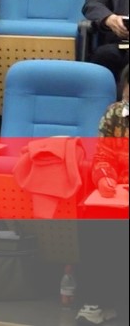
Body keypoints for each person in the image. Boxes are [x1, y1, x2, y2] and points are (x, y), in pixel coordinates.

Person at [76, 66, 128, 326]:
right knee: (94, 222)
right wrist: (104, 177)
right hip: (120, 193)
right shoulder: (115, 114)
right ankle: (98, 302)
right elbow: (102, 156)